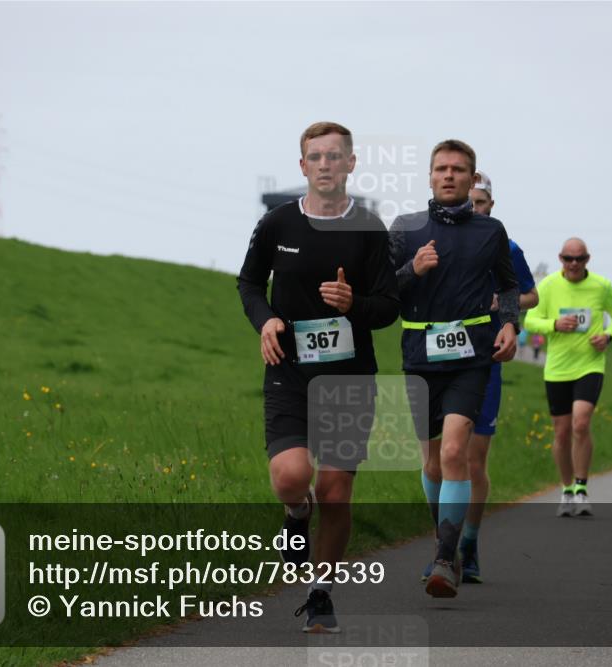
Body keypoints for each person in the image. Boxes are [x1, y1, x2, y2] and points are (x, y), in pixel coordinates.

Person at [237, 122, 399, 633]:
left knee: (335, 490)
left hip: (350, 375)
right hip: (288, 368)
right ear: (302, 166)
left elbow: (389, 306)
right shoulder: (277, 224)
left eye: (335, 156)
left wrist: (356, 304)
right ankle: (294, 515)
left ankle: (320, 591)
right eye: (316, 156)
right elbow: (248, 282)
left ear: (351, 164)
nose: (325, 164)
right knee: (290, 478)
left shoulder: (370, 229)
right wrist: (265, 319)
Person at [390, 140, 520, 598]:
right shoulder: (405, 229)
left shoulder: (491, 230)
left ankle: (445, 559)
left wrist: (509, 325)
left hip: (472, 355)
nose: (449, 175)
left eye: (458, 169)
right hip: (420, 354)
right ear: (429, 176)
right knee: (430, 460)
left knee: (453, 453)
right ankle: (447, 542)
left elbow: (508, 287)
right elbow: (385, 294)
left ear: (471, 178)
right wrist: (413, 269)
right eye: (441, 168)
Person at [448, 170, 538, 584]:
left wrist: (502, 302)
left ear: (491, 206)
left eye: (482, 203)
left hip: (485, 357)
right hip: (440, 357)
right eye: (471, 202)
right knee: (440, 457)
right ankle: (443, 543)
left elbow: (530, 294)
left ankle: (468, 541)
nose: (475, 209)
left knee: (473, 458)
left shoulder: (506, 244)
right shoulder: (440, 238)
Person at [524, 238, 612, 515]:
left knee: (581, 424)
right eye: (568, 258)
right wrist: (554, 324)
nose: (573, 264)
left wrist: (608, 335)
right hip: (557, 367)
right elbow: (529, 320)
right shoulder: (547, 286)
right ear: (560, 259)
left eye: (579, 259)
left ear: (587, 260)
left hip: (590, 365)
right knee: (561, 432)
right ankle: (567, 488)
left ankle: (582, 488)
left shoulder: (601, 286)